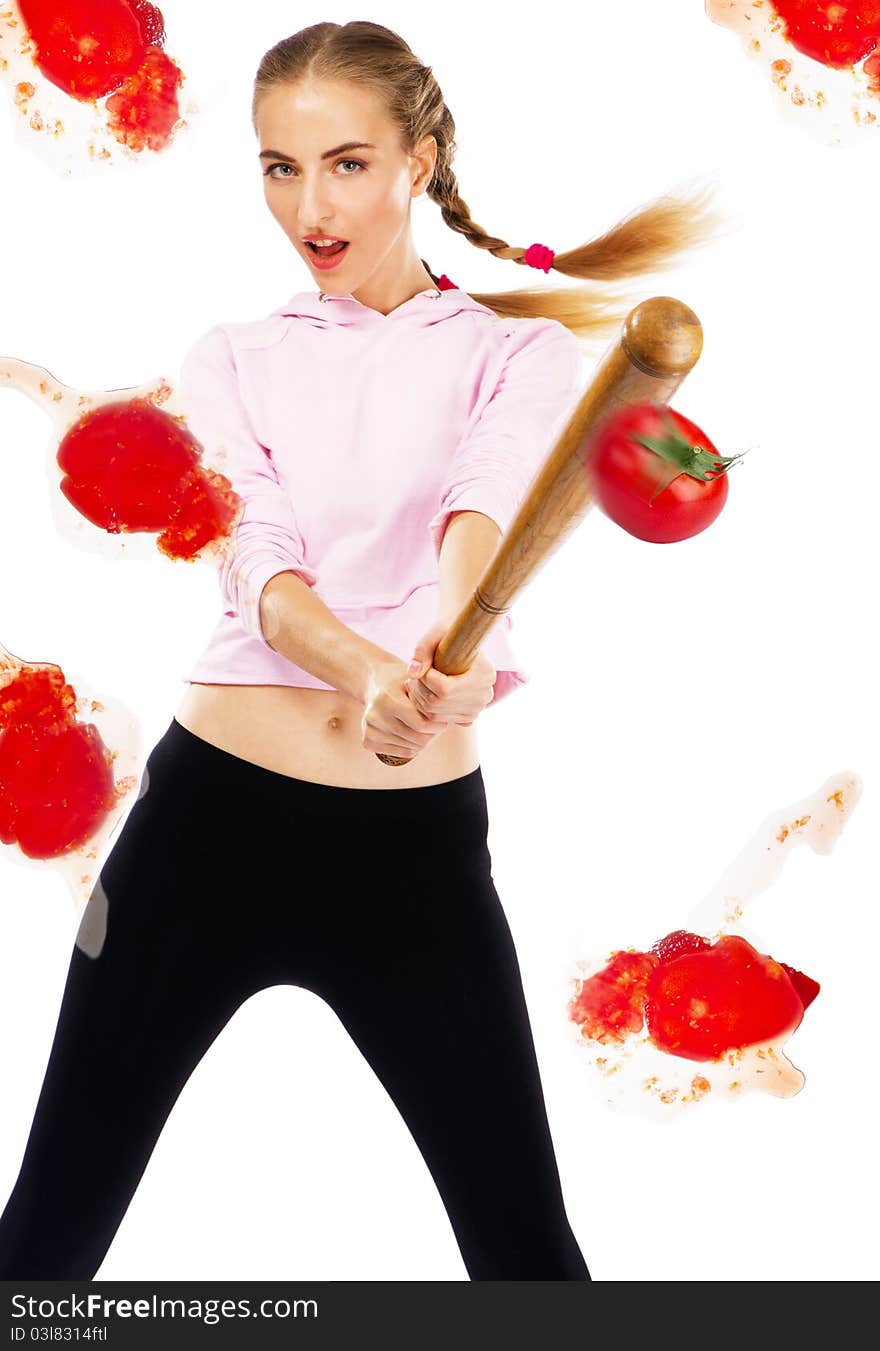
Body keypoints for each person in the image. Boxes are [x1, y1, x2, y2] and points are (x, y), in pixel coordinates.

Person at [0, 20, 720, 1280]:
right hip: (200, 840)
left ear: (417, 162)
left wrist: (443, 645)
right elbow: (259, 568)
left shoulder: (521, 354)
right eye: (279, 167)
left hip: (413, 867)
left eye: (343, 163)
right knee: (43, 1248)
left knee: (527, 1258)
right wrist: (370, 671)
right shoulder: (233, 359)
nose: (307, 204)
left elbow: (481, 514)